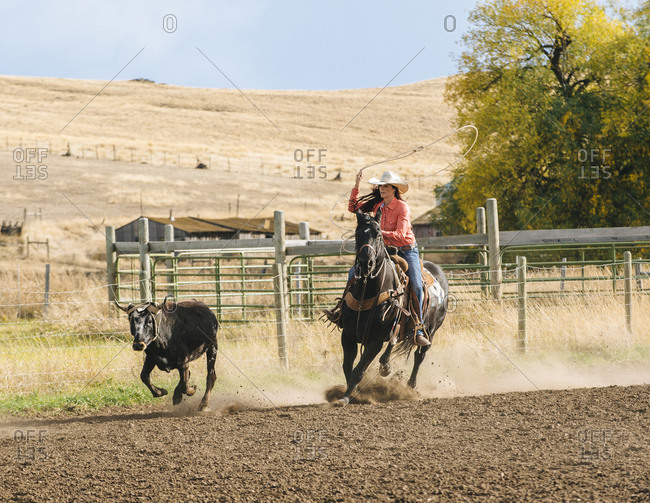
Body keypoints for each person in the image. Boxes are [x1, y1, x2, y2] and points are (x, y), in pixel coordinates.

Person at [326, 169, 430, 347]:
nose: (382, 189)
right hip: (384, 250)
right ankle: (341, 312)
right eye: (381, 186)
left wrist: (377, 233)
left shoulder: (402, 207)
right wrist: (357, 186)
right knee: (354, 272)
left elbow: (400, 234)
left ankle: (418, 327)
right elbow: (353, 208)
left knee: (416, 284)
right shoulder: (378, 206)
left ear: (394, 189)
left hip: (406, 250)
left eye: (386, 186)